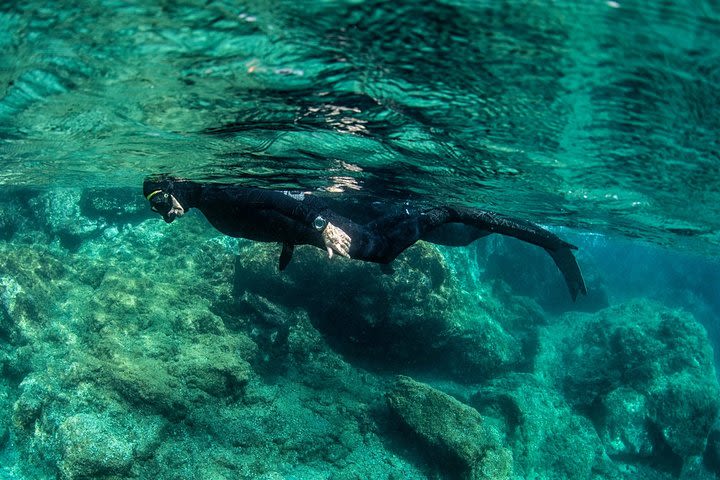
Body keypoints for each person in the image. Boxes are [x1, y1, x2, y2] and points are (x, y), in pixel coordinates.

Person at [143, 175, 588, 300]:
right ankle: (441, 216)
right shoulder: (210, 207)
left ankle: (546, 242)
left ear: (174, 184)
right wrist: (293, 245)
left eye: (163, 200)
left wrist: (319, 225)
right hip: (328, 223)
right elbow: (269, 219)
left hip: (328, 223)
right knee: (444, 236)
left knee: (380, 249)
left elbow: (277, 199)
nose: (165, 212)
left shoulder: (214, 192)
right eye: (156, 207)